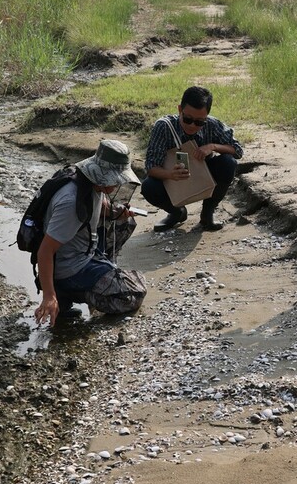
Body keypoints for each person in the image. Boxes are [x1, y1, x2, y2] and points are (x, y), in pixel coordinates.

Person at [33, 140, 145, 327]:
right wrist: (48, 297)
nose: (118, 184)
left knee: (125, 221)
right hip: (68, 267)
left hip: (84, 249)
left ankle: (100, 274)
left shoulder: (89, 182)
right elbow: (45, 251)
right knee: (133, 294)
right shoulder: (70, 202)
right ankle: (66, 292)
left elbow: (98, 206)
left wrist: (115, 212)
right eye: (114, 179)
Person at [141, 85, 244, 232]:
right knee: (149, 187)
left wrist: (213, 146)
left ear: (206, 117)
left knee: (228, 163)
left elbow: (238, 150)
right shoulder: (164, 126)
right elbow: (151, 167)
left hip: (203, 175)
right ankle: (177, 213)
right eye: (188, 119)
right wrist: (170, 174)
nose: (192, 125)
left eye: (199, 122)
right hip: (172, 180)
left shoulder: (213, 125)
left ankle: (207, 214)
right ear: (179, 110)